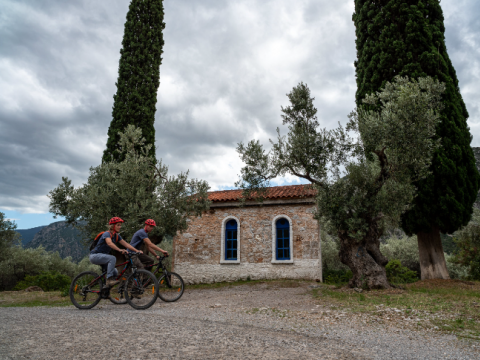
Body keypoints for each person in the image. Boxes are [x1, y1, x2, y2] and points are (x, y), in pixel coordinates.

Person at [89, 217, 143, 287]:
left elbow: (126, 244)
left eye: (120, 225)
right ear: (112, 226)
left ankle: (106, 290)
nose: (120, 227)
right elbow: (109, 243)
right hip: (95, 256)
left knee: (115, 272)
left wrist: (137, 250)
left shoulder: (117, 236)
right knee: (112, 258)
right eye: (118, 225)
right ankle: (109, 280)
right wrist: (119, 250)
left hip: (102, 257)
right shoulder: (106, 234)